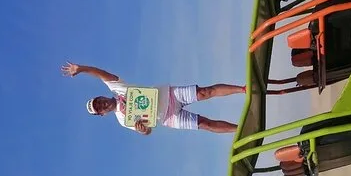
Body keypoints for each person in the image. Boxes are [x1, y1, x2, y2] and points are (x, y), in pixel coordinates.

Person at [61, 61, 245, 135]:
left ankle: (243, 89)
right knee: (205, 124)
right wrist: (143, 130)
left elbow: (102, 74)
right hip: (168, 118)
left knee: (205, 92)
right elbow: (147, 130)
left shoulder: (117, 88)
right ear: (102, 114)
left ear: (101, 96)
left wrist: (82, 69)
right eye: (99, 108)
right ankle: (241, 129)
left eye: (98, 101)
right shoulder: (122, 120)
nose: (101, 104)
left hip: (170, 95)